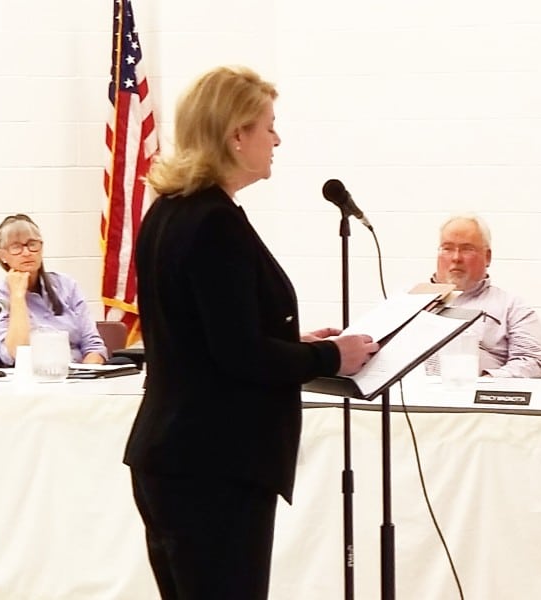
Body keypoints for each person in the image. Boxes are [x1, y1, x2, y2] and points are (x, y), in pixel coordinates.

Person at [123, 66, 378, 599]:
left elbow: (202, 333)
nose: (277, 139)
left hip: (176, 453)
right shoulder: (213, 222)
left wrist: (292, 343)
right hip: (213, 461)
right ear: (236, 134)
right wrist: (331, 357)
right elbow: (238, 354)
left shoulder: (170, 211)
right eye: (269, 126)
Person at [429, 214, 541, 378]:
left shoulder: (511, 307)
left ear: (487, 257)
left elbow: (535, 364)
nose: (456, 258)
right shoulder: (409, 303)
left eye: (467, 249)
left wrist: (486, 382)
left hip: (474, 391)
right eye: (447, 248)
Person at [0, 213, 107, 366]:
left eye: (32, 244)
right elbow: (15, 354)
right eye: (16, 247)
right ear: (2, 256)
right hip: (31, 375)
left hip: (80, 372)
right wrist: (17, 297)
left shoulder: (66, 285)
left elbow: (93, 346)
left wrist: (87, 373)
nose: (27, 252)